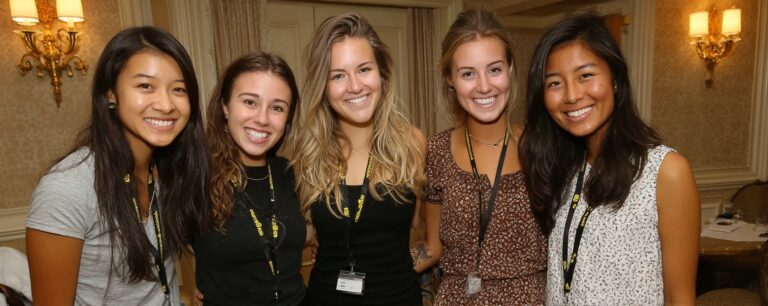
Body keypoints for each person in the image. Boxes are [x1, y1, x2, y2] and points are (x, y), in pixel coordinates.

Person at [520, 14, 700, 305]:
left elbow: (680, 296)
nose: (572, 95)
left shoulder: (665, 171)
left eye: (586, 75)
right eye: (554, 83)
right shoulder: (562, 169)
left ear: (615, 79)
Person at [25, 26, 210, 305]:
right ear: (110, 93)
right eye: (145, 86)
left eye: (179, 89)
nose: (166, 104)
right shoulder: (68, 188)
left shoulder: (170, 171)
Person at [284, 13, 425, 305]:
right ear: (323, 87)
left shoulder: (412, 144)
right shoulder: (307, 154)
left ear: (382, 74)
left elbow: (423, 226)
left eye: (364, 69)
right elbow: (298, 233)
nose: (355, 86)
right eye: (338, 75)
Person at [415, 9, 547, 305]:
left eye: (494, 69)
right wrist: (370, 267)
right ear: (449, 78)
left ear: (511, 68)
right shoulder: (435, 151)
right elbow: (432, 248)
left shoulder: (542, 148)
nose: (484, 86)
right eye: (468, 74)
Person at [193, 52, 306, 305]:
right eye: (250, 102)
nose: (263, 119)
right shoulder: (196, 176)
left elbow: (288, 231)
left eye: (277, 108)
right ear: (225, 106)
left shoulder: (289, 172)